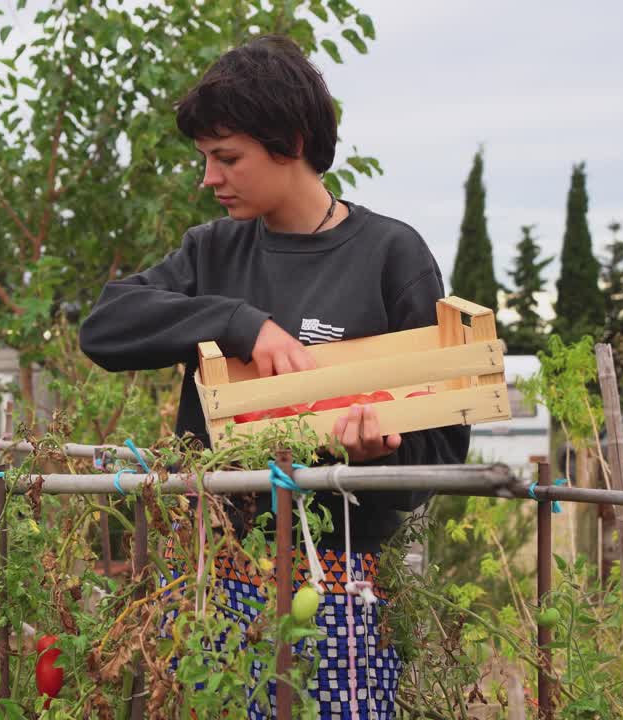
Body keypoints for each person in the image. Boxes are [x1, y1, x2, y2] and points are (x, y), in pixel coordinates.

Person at [78, 35, 470, 719]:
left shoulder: (389, 256)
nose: (209, 177)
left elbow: (442, 451)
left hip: (341, 581)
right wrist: (238, 323)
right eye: (205, 158)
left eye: (226, 157)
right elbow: (105, 327)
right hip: (214, 573)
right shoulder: (213, 254)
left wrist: (383, 452)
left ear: (289, 141)